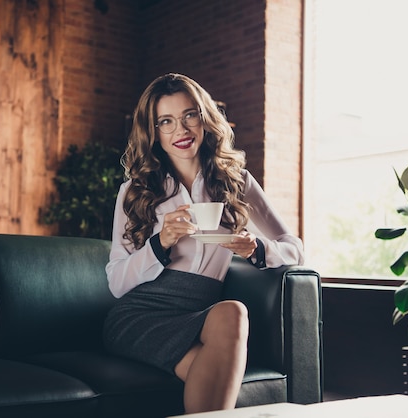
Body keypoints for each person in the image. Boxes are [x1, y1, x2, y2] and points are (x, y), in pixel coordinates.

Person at [102, 73, 304, 414]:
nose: (180, 130)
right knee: (212, 382)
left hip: (199, 309)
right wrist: (160, 242)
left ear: (204, 118)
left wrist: (257, 249)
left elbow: (294, 247)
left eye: (189, 116)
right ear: (154, 133)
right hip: (140, 314)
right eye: (165, 121)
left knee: (233, 312)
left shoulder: (236, 182)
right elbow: (116, 282)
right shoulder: (135, 191)